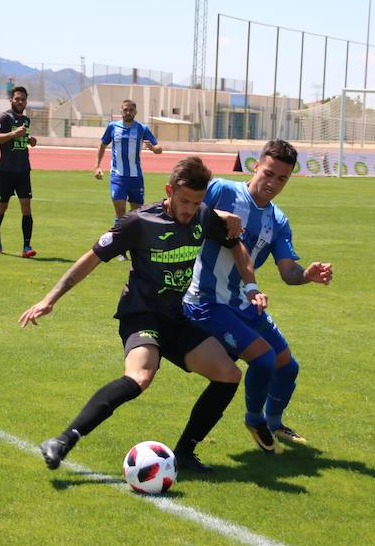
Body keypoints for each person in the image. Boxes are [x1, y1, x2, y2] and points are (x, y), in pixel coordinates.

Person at [20, 156, 267, 472]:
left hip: (176, 318)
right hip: (141, 315)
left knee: (229, 374)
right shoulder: (138, 222)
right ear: (169, 190)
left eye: (197, 201)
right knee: (140, 377)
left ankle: (186, 454)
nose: (190, 209)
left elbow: (235, 243)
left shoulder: (204, 216)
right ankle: (63, 440)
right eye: (184, 201)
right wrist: (50, 298)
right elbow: (92, 258)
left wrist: (250, 286)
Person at [183, 140, 333, 454]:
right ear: (255, 166)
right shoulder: (222, 190)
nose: (273, 183)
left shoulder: (277, 220)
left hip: (243, 301)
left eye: (282, 179)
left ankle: (274, 423)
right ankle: (254, 420)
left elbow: (288, 271)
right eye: (268, 173)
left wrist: (307, 275)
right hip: (206, 300)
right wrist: (217, 214)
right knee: (263, 359)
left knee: (287, 367)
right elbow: (183, 208)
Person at [95, 100, 163, 233]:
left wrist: (153, 148)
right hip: (118, 176)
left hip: (135, 177)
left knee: (136, 215)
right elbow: (102, 145)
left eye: (131, 110)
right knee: (120, 214)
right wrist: (96, 166)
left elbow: (159, 148)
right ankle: (121, 250)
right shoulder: (113, 127)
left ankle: (134, 247)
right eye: (125, 110)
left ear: (135, 112)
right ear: (121, 111)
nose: (128, 112)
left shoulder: (142, 129)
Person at [0, 86, 37, 257]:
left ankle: (27, 246)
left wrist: (31, 141)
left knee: (26, 207)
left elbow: (23, 141)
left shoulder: (26, 119)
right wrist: (13, 133)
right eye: (17, 98)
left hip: (23, 170)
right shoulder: (4, 117)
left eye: (23, 99)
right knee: (2, 206)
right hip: (6, 171)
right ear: (11, 100)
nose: (20, 102)